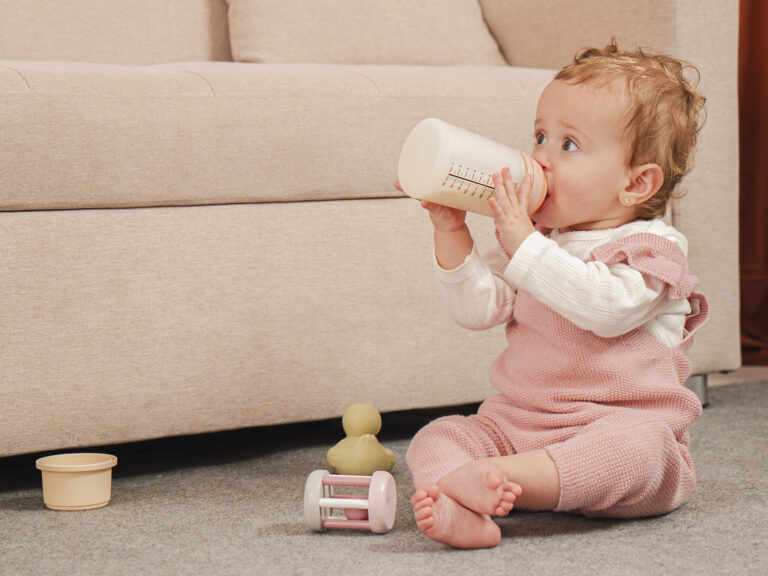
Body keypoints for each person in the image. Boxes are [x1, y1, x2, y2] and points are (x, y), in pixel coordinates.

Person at [402, 42, 709, 549]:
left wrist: (522, 243)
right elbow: (479, 309)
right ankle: (464, 498)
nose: (539, 158)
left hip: (616, 426)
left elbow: (604, 309)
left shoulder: (653, 251)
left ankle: (502, 481)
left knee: (644, 450)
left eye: (568, 145)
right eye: (539, 136)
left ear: (636, 184)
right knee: (440, 436)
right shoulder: (539, 243)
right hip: (517, 425)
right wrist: (451, 231)